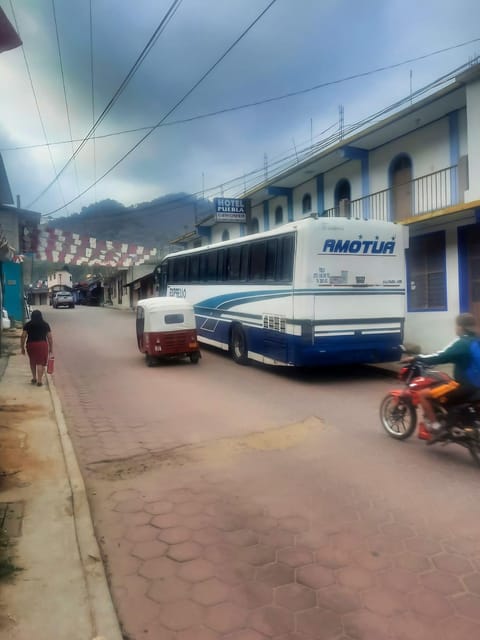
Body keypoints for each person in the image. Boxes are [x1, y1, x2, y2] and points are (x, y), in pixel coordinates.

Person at [406, 313, 479, 432]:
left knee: (422, 395)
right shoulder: (477, 341)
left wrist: (417, 358)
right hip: (477, 387)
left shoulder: (462, 343)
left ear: (461, 327)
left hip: (466, 386)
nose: (455, 328)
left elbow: (440, 356)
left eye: (456, 326)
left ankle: (436, 426)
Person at [20, 309, 53, 387]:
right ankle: (39, 380)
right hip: (42, 344)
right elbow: (49, 337)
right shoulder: (45, 324)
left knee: (32, 361)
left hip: (31, 345)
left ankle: (34, 378)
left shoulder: (27, 324)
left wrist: (22, 347)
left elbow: (23, 336)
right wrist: (51, 348)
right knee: (40, 363)